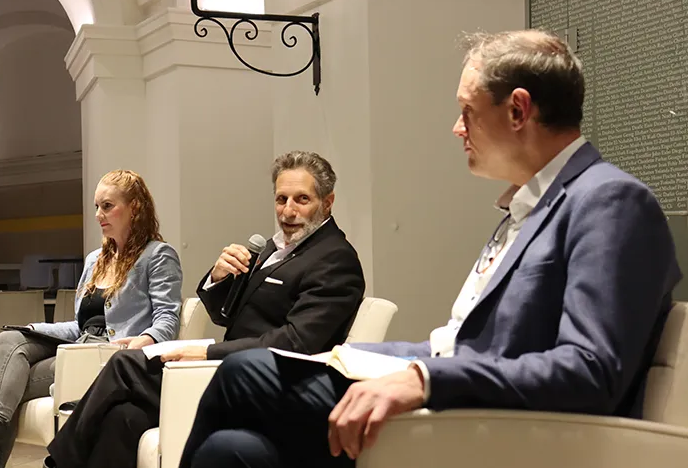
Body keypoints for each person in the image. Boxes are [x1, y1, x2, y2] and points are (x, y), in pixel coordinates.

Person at [177, 29, 683, 468]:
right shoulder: (526, 210)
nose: (457, 127)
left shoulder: (608, 201)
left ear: (518, 109)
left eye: (467, 111)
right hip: (462, 408)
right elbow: (459, 343)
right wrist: (346, 357)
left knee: (244, 372)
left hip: (497, 433)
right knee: (231, 451)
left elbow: (588, 371)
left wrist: (424, 378)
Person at [42, 151, 366, 468]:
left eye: (302, 199)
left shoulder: (334, 259)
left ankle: (56, 460)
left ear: (327, 202)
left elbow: (297, 343)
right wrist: (218, 277)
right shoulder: (275, 247)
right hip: (223, 366)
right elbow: (224, 314)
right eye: (281, 199)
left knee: (126, 362)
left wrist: (207, 352)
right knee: (123, 417)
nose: (288, 211)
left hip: (258, 381)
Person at [0, 170, 183, 468]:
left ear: (134, 207)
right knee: (10, 339)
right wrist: (33, 329)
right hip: (79, 345)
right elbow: (81, 325)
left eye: (107, 206)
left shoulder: (157, 256)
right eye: (96, 206)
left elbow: (167, 319)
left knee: (7, 379)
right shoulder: (95, 259)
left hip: (108, 357)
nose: (98, 215)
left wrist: (141, 342)